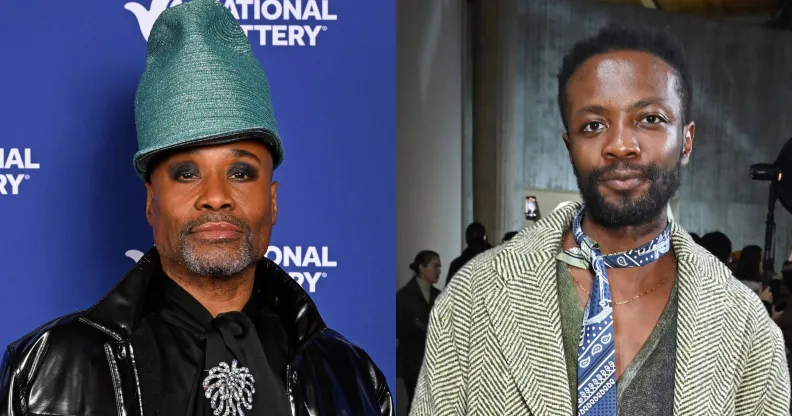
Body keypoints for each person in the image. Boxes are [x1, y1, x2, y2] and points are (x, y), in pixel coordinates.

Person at [0, 2, 392, 415]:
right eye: (186, 173)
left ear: (272, 201)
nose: (216, 195)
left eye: (240, 172)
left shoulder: (351, 375)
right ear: (152, 202)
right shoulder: (44, 369)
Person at [410, 23, 789, 415]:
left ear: (687, 141)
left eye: (650, 119)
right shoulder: (475, 295)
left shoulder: (746, 326)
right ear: (569, 146)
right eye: (594, 125)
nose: (621, 145)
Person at [396, 251, 442, 413]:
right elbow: (399, 330)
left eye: (439, 266)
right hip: (412, 361)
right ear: (422, 268)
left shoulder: (439, 296)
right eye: (435, 266)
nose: (439, 271)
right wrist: (419, 327)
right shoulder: (403, 296)